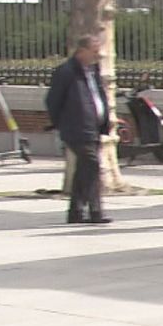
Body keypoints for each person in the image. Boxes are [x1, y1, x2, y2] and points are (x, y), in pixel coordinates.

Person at [46, 35, 112, 224]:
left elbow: (98, 96)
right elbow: (53, 101)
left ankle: (75, 212)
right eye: (94, 51)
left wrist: (105, 118)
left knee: (84, 169)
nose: (98, 55)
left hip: (94, 128)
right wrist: (62, 123)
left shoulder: (93, 71)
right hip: (76, 129)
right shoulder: (66, 72)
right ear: (82, 51)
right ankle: (95, 211)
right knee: (92, 166)